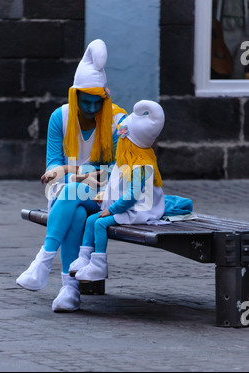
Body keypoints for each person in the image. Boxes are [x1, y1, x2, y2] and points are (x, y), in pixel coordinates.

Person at [16, 39, 127, 312]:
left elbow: (115, 173)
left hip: (106, 197)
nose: (90, 109)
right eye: (85, 103)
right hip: (69, 195)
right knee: (75, 210)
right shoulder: (60, 117)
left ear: (106, 98)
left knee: (71, 194)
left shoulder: (117, 121)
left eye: (96, 103)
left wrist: (74, 173)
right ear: (74, 96)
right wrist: (79, 176)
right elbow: (53, 166)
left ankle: (43, 261)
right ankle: (69, 290)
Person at [69, 100, 166, 283]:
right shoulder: (125, 163)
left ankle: (99, 266)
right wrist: (104, 194)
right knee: (91, 220)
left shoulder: (140, 167)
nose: (119, 145)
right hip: (125, 206)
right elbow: (115, 184)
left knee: (100, 223)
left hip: (138, 211)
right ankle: (84, 258)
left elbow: (132, 196)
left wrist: (111, 210)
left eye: (123, 141)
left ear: (130, 143)